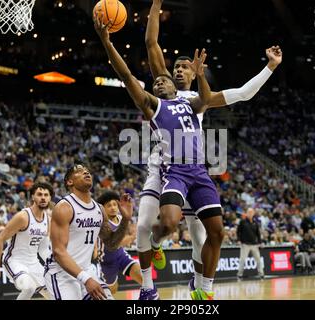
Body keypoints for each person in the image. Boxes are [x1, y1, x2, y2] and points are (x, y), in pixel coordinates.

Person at [136, 0, 282, 300]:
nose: (177, 70)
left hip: (194, 168)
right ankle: (153, 268)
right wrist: (155, 5)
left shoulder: (200, 97)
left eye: (184, 67)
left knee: (204, 235)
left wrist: (269, 67)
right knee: (147, 225)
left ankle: (200, 287)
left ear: (194, 73)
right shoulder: (163, 89)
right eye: (175, 66)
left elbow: (243, 93)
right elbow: (151, 41)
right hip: (163, 165)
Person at [95, 14, 228, 300]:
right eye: (156, 82)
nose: (159, 83)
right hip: (172, 170)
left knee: (212, 233)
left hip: (199, 171)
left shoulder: (191, 101)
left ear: (174, 85)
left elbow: (206, 99)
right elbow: (129, 74)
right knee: (165, 224)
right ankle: (155, 249)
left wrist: (201, 75)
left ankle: (203, 289)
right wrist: (107, 43)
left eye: (164, 81)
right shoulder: (154, 105)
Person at [44, 164, 133, 300]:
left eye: (87, 171)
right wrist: (85, 279)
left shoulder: (99, 209)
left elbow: (111, 243)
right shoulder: (64, 208)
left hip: (86, 270)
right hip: (61, 273)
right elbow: (58, 252)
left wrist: (125, 220)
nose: (86, 172)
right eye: (79, 172)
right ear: (69, 182)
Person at [0, 182, 53, 300]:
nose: (43, 197)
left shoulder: (48, 220)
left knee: (53, 293)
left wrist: (54, 263)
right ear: (33, 197)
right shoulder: (23, 217)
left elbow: (43, 250)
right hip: (14, 261)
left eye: (46, 195)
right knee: (29, 287)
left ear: (50, 198)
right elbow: (0, 239)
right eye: (39, 194)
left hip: (33, 262)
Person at [96, 191, 142, 294]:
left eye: (115, 205)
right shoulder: (102, 223)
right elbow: (115, 243)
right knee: (113, 290)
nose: (113, 207)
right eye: (109, 206)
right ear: (103, 208)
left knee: (144, 278)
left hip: (120, 255)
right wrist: (133, 236)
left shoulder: (121, 218)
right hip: (105, 261)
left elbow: (127, 237)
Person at [236, 209, 264, 280]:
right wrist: (239, 240)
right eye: (248, 212)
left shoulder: (255, 222)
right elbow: (238, 231)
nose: (250, 214)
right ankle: (239, 274)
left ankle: (261, 274)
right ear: (246, 213)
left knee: (258, 260)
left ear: (253, 213)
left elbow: (258, 234)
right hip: (245, 244)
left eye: (251, 212)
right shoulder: (242, 222)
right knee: (242, 260)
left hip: (254, 245)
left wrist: (260, 242)